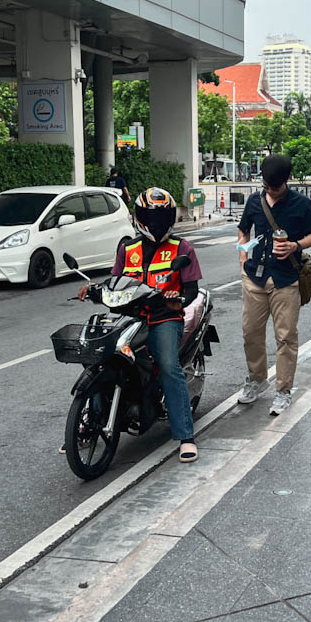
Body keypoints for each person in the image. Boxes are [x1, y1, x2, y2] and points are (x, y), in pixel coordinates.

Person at [76, 187, 203, 463]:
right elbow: (115, 282)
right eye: (152, 217)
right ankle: (88, 425)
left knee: (168, 366)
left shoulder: (182, 248)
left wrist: (178, 299)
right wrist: (94, 289)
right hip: (128, 317)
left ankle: (185, 436)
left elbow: (192, 289)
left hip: (163, 318)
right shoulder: (127, 249)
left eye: (163, 217)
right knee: (100, 360)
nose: (157, 223)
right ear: (139, 217)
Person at [235, 154, 311, 416]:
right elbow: (244, 229)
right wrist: (242, 256)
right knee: (250, 332)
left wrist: (295, 246)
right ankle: (257, 379)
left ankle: (283, 390)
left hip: (286, 280)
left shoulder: (301, 203)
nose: (271, 191)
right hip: (255, 277)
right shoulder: (254, 201)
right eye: (267, 186)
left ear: (286, 181)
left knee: (285, 337)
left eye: (275, 187)